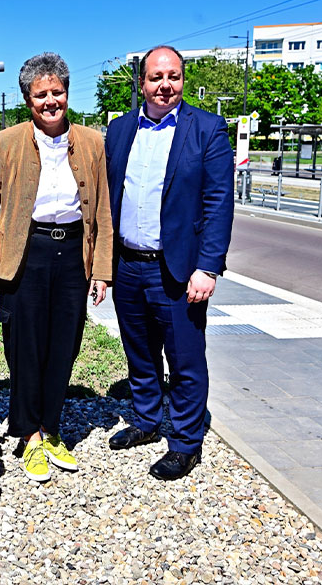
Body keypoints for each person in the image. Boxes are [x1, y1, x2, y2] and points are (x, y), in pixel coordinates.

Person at [0, 53, 113, 482]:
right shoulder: (7, 141)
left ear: (67, 93)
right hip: (27, 252)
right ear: (27, 98)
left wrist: (101, 270)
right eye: (40, 95)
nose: (50, 101)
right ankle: (28, 436)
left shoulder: (93, 142)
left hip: (73, 252)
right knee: (24, 346)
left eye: (56, 92)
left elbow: (103, 213)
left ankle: (51, 427)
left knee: (65, 345)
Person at [105, 46, 234, 481]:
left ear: (182, 79)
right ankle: (145, 421)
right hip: (128, 265)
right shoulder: (121, 130)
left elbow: (218, 203)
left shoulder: (208, 130)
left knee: (185, 360)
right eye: (156, 77)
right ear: (141, 82)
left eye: (174, 77)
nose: (165, 85)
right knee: (139, 352)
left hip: (178, 270)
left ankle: (184, 443)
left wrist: (209, 267)